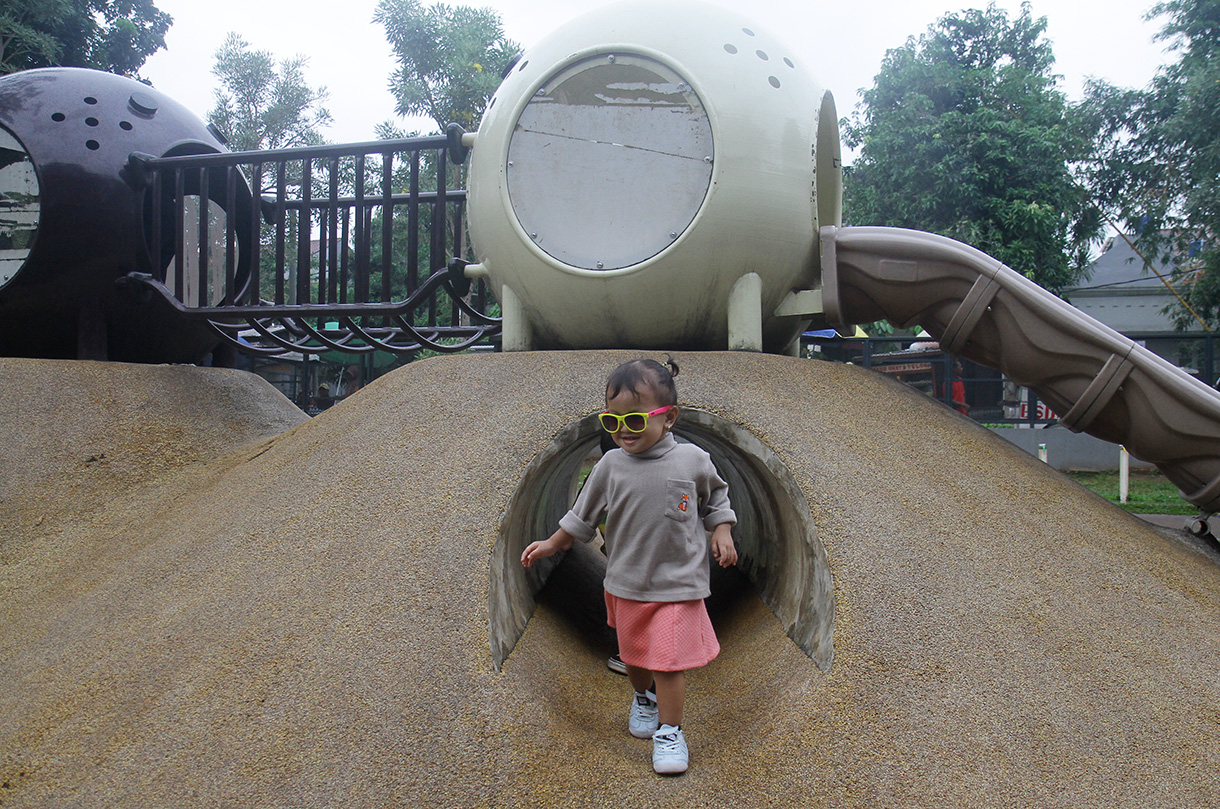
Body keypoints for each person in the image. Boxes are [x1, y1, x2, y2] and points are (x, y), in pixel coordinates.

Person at [521, 357, 738, 775]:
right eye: (613, 420)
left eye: (635, 420)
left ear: (668, 417)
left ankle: (671, 731)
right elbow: (581, 517)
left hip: (678, 584)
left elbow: (717, 501)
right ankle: (644, 698)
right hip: (626, 584)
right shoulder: (609, 467)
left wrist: (723, 531)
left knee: (668, 661)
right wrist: (551, 543)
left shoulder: (692, 460)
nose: (623, 429)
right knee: (636, 658)